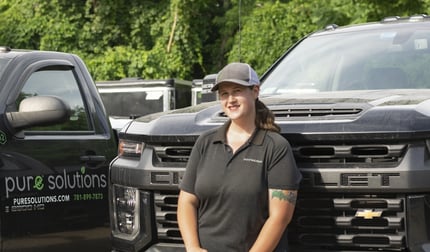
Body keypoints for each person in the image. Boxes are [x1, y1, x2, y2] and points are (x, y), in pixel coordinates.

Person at [177, 62, 302, 252]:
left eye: (237, 91)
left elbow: (280, 217)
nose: (230, 99)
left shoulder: (276, 147)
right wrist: (192, 247)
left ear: (255, 91)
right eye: (224, 94)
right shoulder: (205, 142)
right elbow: (187, 201)